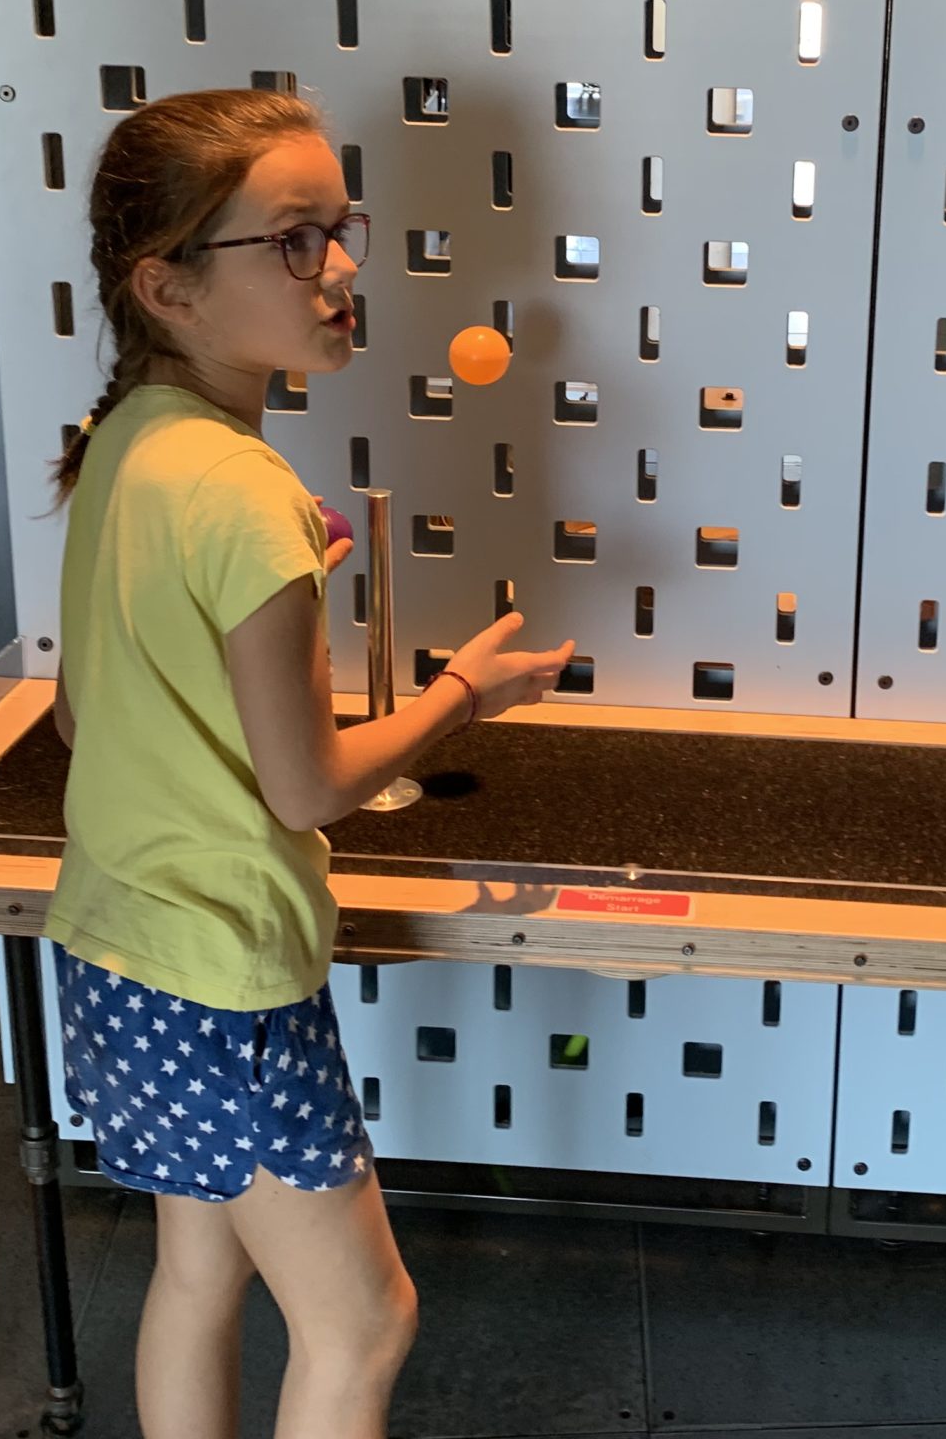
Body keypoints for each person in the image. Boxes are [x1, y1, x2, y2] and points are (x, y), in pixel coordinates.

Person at [45, 89, 575, 1439]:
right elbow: (309, 789)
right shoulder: (243, 493)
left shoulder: (125, 443)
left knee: (200, 1270)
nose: (339, 269)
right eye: (292, 240)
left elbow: (80, 719)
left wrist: (258, 613)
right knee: (363, 1323)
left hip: (118, 948)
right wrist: (462, 695)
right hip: (224, 975)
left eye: (341, 229)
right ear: (167, 285)